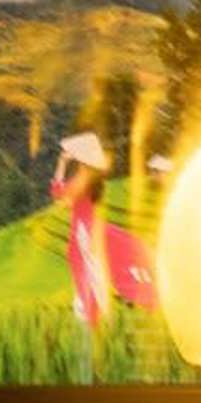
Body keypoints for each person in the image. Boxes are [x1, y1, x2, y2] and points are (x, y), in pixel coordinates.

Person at [52, 131, 159, 373]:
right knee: (92, 277)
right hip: (89, 230)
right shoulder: (92, 178)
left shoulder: (84, 177)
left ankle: (93, 331)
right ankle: (96, 330)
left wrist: (62, 163)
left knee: (89, 278)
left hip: (84, 234)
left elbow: (59, 194)